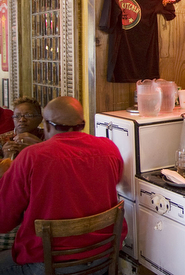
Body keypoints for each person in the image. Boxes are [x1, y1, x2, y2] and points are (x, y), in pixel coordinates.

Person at [0, 96, 127, 274]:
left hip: (48, 265)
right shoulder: (109, 148)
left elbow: (3, 221)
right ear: (82, 123)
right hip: (103, 257)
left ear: (46, 125)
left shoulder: (31, 157)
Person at [1, 97, 45, 161]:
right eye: (17, 116)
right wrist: (6, 157)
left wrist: (39, 148)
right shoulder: (3, 140)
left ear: (40, 119)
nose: (22, 120)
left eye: (29, 115)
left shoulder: (47, 138)